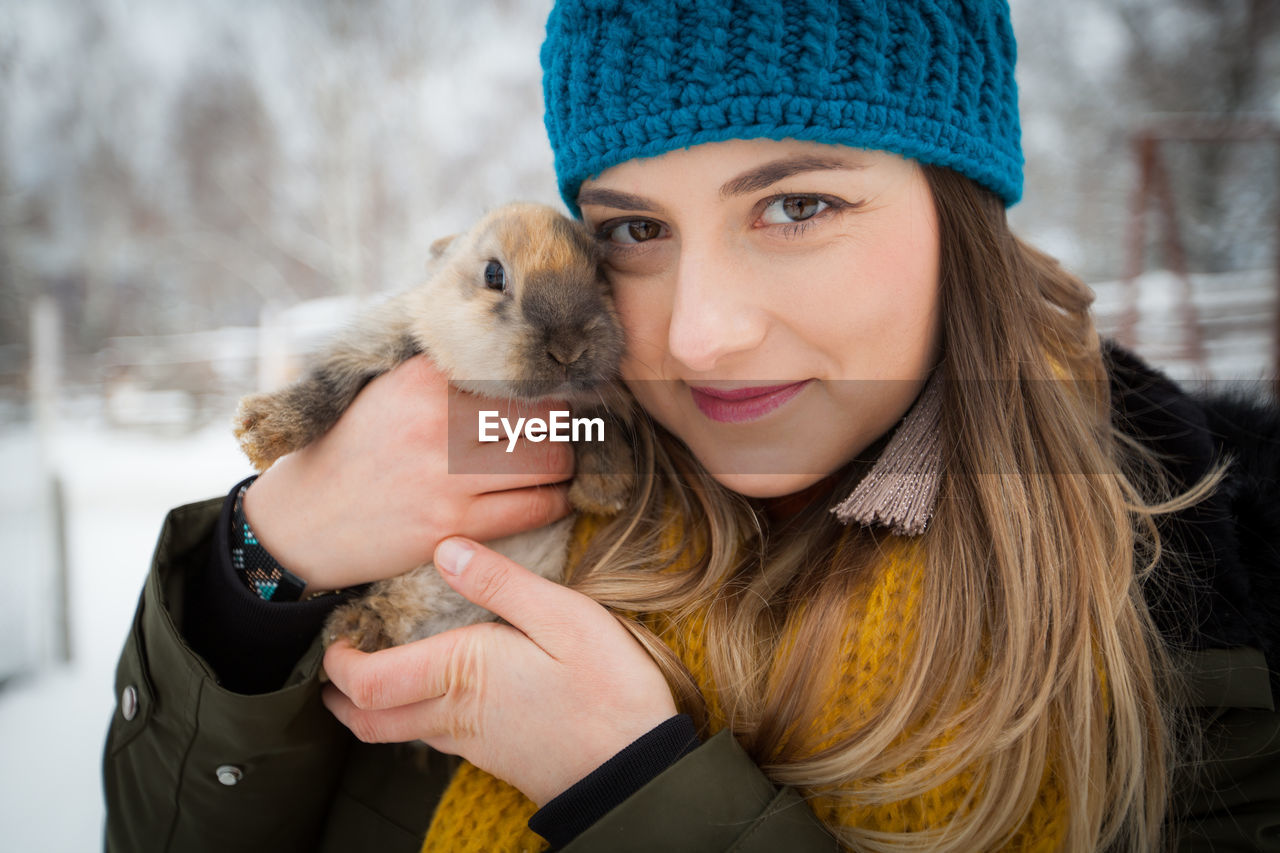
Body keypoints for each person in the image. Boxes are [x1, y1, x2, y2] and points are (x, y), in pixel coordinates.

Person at [103, 1, 1280, 851]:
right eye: (634, 231)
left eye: (796, 204)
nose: (703, 335)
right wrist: (262, 566)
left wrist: (626, 787)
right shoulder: (537, 460)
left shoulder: (1218, 586)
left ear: (956, 210)